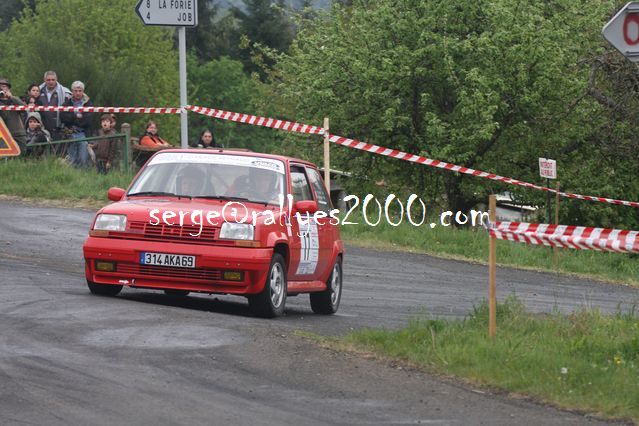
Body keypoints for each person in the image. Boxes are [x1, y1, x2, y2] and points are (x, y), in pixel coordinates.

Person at [61, 81, 93, 168]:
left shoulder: (88, 103)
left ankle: (83, 178)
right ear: (72, 91)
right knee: (72, 160)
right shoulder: (67, 103)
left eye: (80, 90)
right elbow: (63, 118)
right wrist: (76, 116)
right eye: (75, 90)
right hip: (70, 133)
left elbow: (87, 121)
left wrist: (72, 118)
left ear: (83, 91)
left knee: (83, 159)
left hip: (83, 134)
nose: (78, 93)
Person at [38, 70, 71, 152]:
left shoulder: (65, 92)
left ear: (56, 79)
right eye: (48, 80)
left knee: (58, 153)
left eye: (53, 80)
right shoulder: (38, 91)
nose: (51, 82)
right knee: (42, 153)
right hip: (41, 128)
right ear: (44, 80)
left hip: (58, 128)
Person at [0, 78, 27, 154]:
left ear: (8, 88)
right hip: (3, 135)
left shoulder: (15, 100)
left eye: (4, 86)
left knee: (22, 156)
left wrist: (11, 97)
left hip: (17, 134)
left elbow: (24, 108)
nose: (2, 88)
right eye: (0, 87)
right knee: (5, 158)